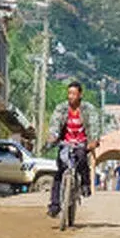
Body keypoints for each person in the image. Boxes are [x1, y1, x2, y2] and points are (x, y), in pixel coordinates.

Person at [46, 80, 102, 217]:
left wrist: (93, 140)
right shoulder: (61, 108)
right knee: (60, 172)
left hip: (82, 143)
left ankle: (85, 183)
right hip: (65, 142)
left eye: (74, 93)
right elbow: (55, 123)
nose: (70, 96)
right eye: (69, 93)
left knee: (82, 159)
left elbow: (94, 125)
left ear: (80, 95)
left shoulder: (88, 109)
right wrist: (52, 136)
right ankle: (54, 205)